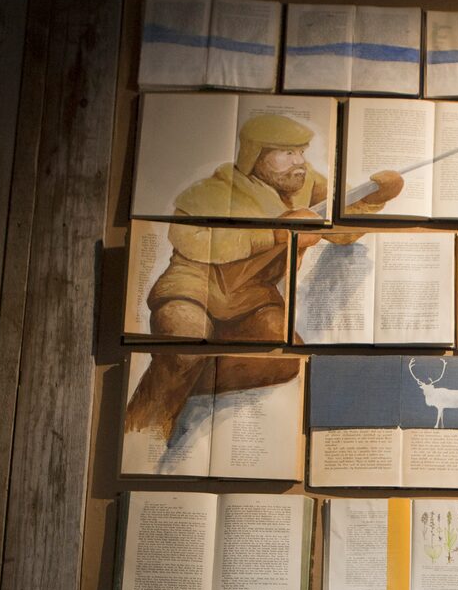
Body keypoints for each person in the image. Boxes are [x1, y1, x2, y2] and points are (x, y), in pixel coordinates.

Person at [126, 112, 400, 437]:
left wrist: (371, 201)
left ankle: (180, 380)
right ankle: (145, 425)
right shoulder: (211, 192)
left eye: (301, 151)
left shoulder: (304, 182)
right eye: (287, 153)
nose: (299, 162)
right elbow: (194, 240)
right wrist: (276, 233)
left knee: (284, 360)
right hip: (192, 290)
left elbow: (341, 231)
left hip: (252, 298)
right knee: (184, 338)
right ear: (256, 155)